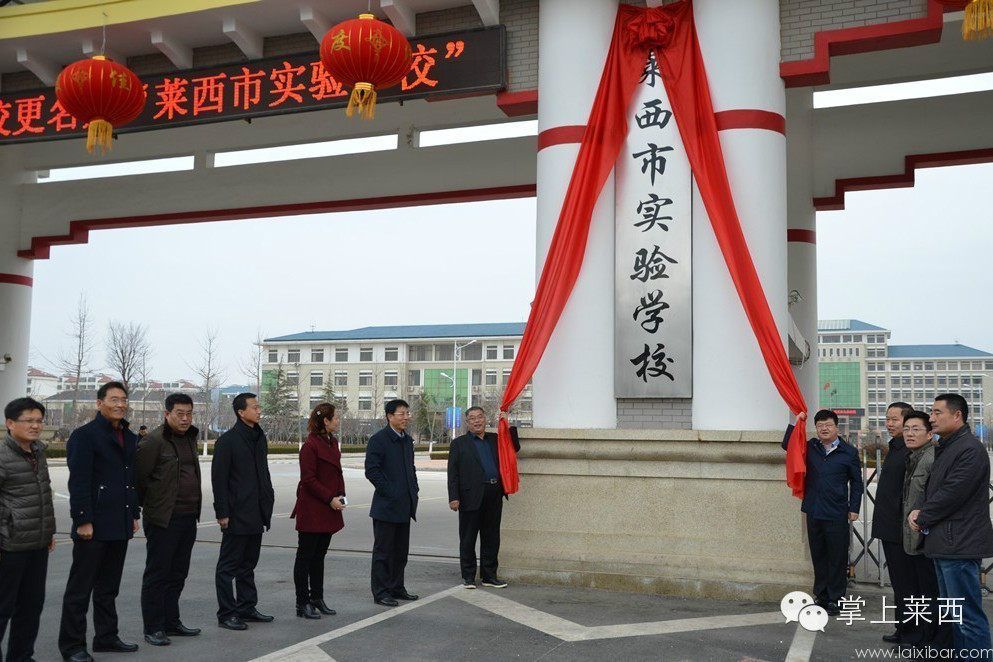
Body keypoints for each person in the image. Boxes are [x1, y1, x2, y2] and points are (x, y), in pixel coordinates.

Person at [59, 382, 141, 662]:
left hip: (119, 522)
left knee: (109, 587)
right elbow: (79, 482)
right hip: (92, 525)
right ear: (99, 403)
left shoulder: (129, 437)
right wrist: (82, 520)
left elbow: (130, 481)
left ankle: (106, 637)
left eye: (123, 399)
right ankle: (72, 646)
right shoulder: (85, 436)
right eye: (114, 399)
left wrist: (133, 514)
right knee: (80, 590)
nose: (120, 404)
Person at [909, 394, 993, 656]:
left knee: (967, 617)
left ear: (957, 415)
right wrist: (917, 509)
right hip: (944, 543)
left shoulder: (969, 449)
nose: (931, 418)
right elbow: (933, 488)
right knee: (955, 616)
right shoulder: (946, 446)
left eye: (937, 413)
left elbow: (953, 492)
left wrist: (921, 516)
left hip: (959, 544)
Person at [136, 393, 202, 646]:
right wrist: (154, 507)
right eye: (180, 414)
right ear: (167, 414)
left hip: (188, 517)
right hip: (164, 519)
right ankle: (153, 627)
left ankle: (171, 622)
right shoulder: (153, 441)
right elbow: (140, 480)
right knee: (158, 574)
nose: (185, 419)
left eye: (189, 414)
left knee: (178, 573)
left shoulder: (190, 437)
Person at [782, 409, 862, 616]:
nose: (824, 429)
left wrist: (854, 508)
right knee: (819, 555)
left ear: (837, 427)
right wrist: (796, 422)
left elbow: (857, 483)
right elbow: (787, 446)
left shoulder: (849, 452)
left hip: (836, 512)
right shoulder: (810, 448)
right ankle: (821, 596)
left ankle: (836, 598)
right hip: (814, 510)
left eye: (828, 425)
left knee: (837, 557)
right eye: (820, 426)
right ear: (816, 428)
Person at [212, 393, 275, 631]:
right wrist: (222, 513)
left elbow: (263, 472)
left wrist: (267, 499)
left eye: (259, 407)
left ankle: (247, 607)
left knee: (248, 564)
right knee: (228, 567)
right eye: (255, 407)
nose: (259, 411)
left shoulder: (259, 437)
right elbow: (219, 480)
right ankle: (227, 613)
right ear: (241, 412)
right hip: (236, 513)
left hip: (257, 511)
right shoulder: (227, 441)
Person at [1, 397, 56, 662]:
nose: (35, 426)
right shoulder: (2, 456)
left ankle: (21, 657)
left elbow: (43, 493)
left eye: (39, 421)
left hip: (37, 543)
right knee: (2, 609)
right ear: (10, 423)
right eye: (29, 421)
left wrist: (49, 531)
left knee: (31, 607)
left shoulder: (39, 451)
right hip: (9, 546)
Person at [447, 407, 519, 589]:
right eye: (472, 418)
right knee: (468, 538)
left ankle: (489, 576)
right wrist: (453, 497)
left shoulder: (495, 440)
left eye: (480, 417)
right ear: (467, 422)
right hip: (469, 497)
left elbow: (514, 447)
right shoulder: (459, 444)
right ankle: (469, 577)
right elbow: (453, 474)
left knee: (491, 537)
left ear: (485, 419)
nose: (477, 421)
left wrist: (506, 423)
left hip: (494, 494)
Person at [900, 410, 950, 652]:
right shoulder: (914, 457)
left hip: (926, 539)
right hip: (913, 537)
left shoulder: (932, 458)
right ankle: (924, 639)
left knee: (931, 595)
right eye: (906, 428)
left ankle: (933, 644)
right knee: (922, 594)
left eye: (916, 429)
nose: (909, 433)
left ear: (930, 434)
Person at [290, 403, 346, 619]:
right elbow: (308, 479)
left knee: (319, 556)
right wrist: (329, 498)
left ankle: (317, 598)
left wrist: (340, 494)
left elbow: (337, 473)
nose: (338, 421)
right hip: (313, 508)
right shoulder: (310, 446)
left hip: (329, 505)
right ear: (326, 421)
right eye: (336, 417)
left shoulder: (332, 442)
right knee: (305, 557)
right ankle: (302, 602)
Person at [365, 399, 419, 607]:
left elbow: (410, 468)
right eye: (402, 414)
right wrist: (391, 492)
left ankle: (397, 587)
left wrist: (413, 488)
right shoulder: (379, 440)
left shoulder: (406, 440)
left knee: (400, 552)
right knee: (384, 552)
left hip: (405, 505)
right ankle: (381, 591)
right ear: (390, 416)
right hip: (386, 506)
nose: (406, 418)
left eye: (407, 414)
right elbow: (372, 470)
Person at [872, 402, 913, 645]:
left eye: (895, 419)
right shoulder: (896, 448)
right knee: (899, 584)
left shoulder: (908, 451)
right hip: (888, 527)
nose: (889, 423)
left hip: (900, 530)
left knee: (907, 585)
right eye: (888, 419)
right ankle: (902, 629)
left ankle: (911, 633)